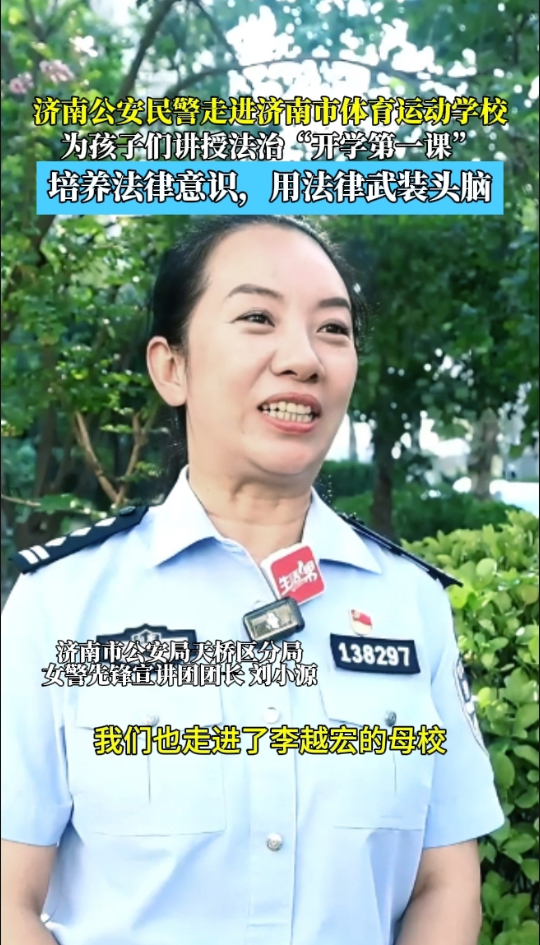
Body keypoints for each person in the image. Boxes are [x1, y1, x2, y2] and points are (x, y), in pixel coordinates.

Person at [1, 216, 503, 945]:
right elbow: (9, 897)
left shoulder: (410, 605)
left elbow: (443, 883)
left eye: (333, 329)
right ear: (172, 367)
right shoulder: (61, 606)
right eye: (258, 318)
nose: (303, 357)